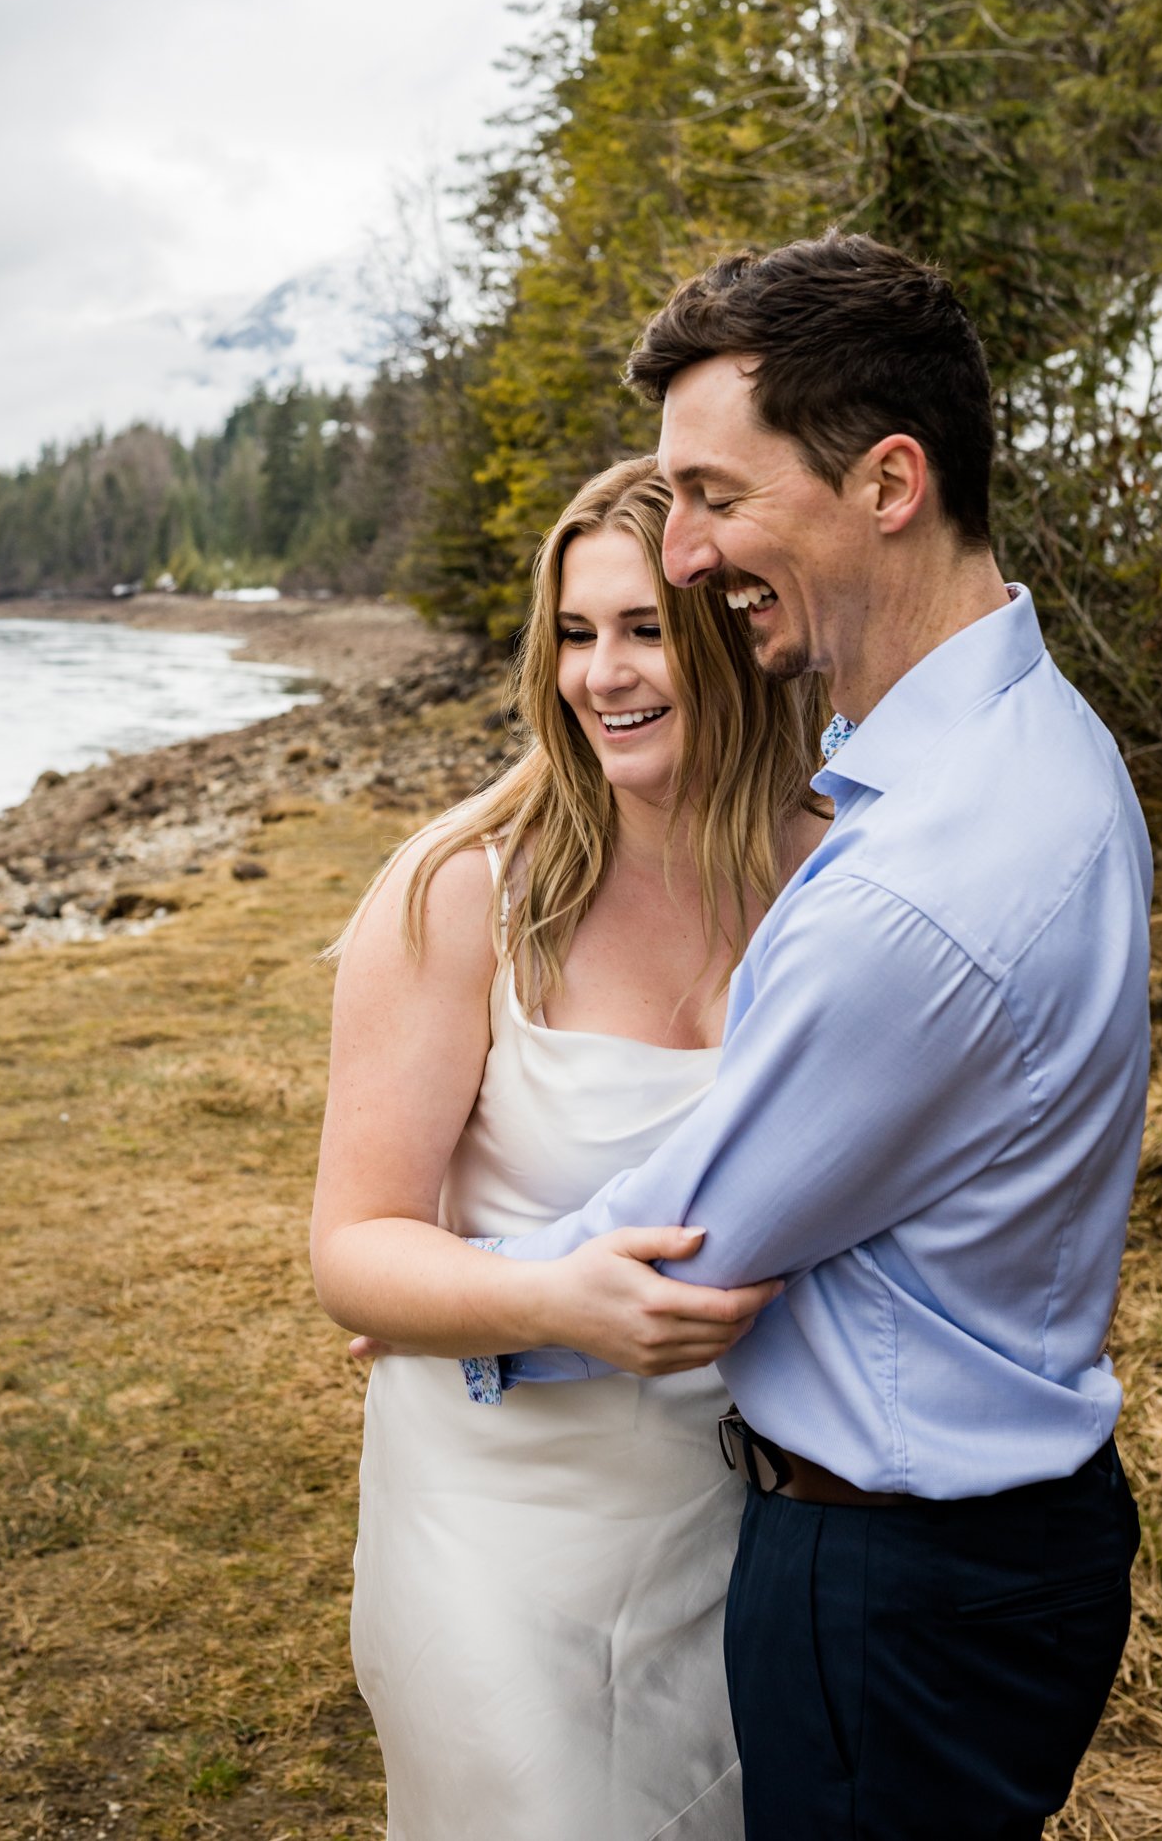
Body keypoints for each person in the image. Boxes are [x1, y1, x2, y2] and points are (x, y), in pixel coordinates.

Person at [462, 232, 1152, 1841]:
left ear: (889, 481)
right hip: (987, 1555)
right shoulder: (1036, 740)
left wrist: (457, 1304)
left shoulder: (922, 886)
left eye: (715, 493)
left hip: (892, 1591)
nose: (685, 556)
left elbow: (690, 1239)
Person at [311, 456, 828, 1841]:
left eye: (648, 626)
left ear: (732, 629)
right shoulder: (461, 889)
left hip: (742, 1515)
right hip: (495, 1520)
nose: (605, 673)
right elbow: (354, 1250)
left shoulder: (837, 875)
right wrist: (551, 1300)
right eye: (579, 633)